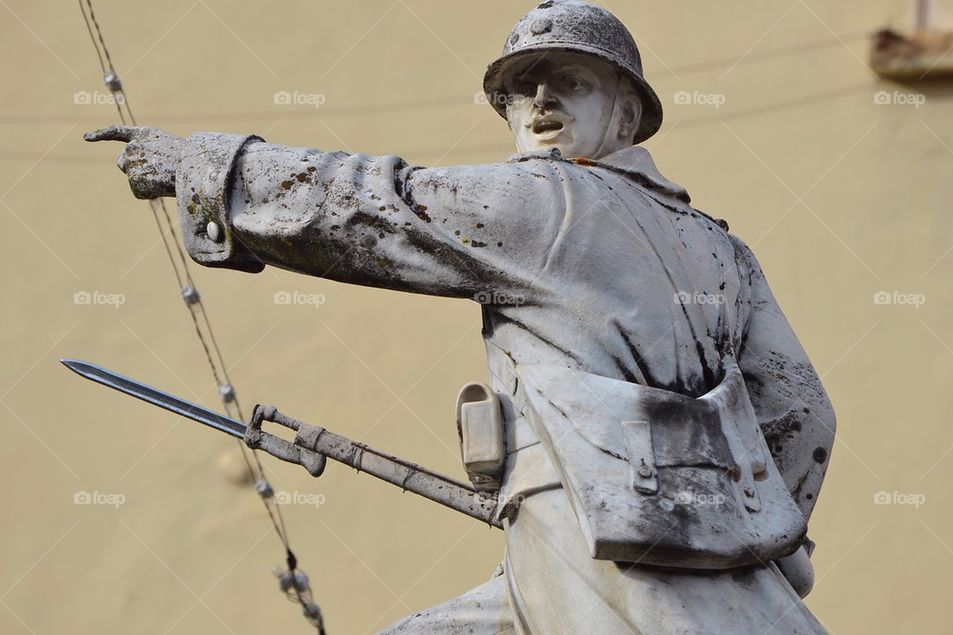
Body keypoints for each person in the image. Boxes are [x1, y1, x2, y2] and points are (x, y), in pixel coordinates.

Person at [86, 1, 835, 632]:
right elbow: (803, 413)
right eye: (523, 88)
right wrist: (736, 528)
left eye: (569, 83)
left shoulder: (554, 203)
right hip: (642, 555)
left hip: (593, 552)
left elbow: (373, 206)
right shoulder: (724, 250)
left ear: (625, 112)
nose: (540, 102)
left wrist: (201, 167)